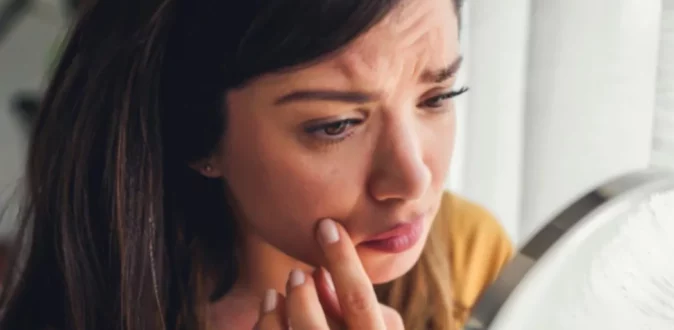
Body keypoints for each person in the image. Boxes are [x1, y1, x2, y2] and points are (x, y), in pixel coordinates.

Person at [0, 0, 515, 329]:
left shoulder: (472, 255)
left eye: (439, 97)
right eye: (336, 125)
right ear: (198, 138)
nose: (414, 180)